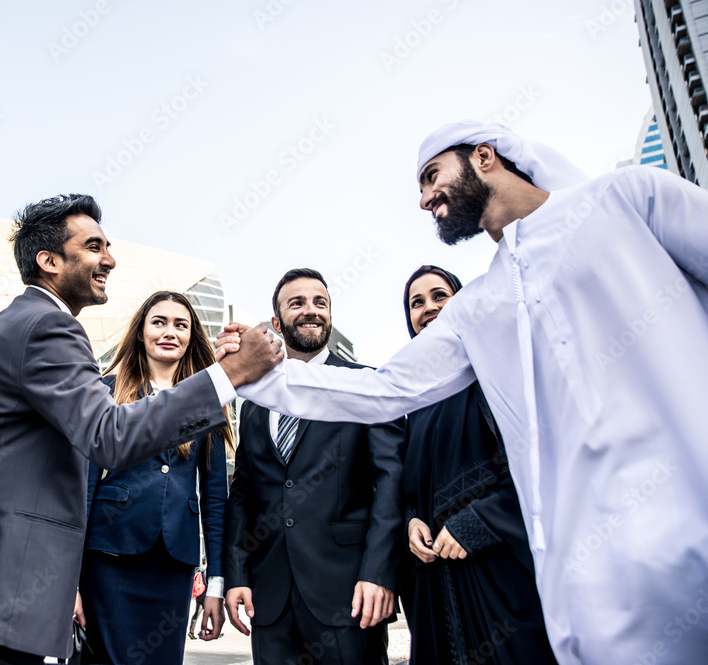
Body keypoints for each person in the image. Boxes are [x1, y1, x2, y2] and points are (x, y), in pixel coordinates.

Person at [218, 121, 708, 664]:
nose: (425, 199)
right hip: (592, 574)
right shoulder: (479, 305)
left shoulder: (629, 197)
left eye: (432, 176)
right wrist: (256, 375)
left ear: (484, 156)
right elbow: (387, 388)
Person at [0, 194, 281, 663]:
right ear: (49, 260)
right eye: (94, 246)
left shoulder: (27, 322)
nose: (110, 259)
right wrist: (228, 375)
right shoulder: (47, 328)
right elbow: (108, 436)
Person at [223, 269, 405, 665]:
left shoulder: (366, 383)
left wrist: (379, 573)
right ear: (276, 323)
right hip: (270, 601)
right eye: (297, 303)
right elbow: (243, 494)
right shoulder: (254, 402)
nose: (311, 311)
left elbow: (391, 482)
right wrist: (237, 575)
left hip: (350, 595)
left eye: (320, 303)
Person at [399, 264, 556, 665]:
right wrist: (412, 520)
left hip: (500, 579)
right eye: (416, 303)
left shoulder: (496, 372)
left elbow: (539, 464)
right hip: (438, 587)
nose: (428, 307)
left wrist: (477, 521)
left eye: (439, 296)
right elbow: (411, 485)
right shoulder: (416, 399)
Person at [79, 291, 234, 664]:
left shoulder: (206, 400)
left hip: (174, 564)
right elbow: (82, 486)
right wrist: (68, 581)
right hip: (109, 557)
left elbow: (215, 499)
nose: (170, 332)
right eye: (159, 322)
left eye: (181, 325)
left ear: (191, 336)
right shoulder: (106, 390)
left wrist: (215, 582)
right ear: (141, 332)